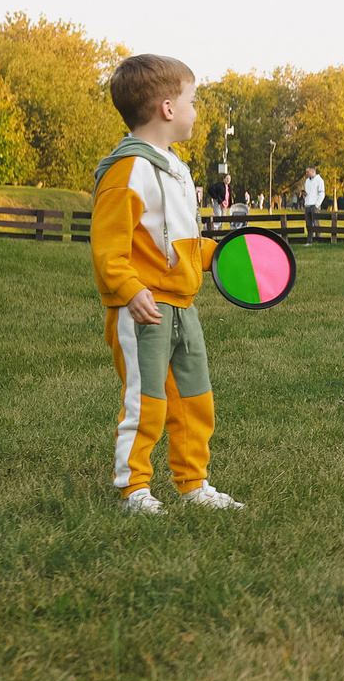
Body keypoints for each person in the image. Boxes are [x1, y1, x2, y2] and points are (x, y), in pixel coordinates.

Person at [91, 54, 242, 516]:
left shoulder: (175, 168)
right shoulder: (127, 171)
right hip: (144, 309)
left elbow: (178, 242)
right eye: (193, 101)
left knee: (195, 400)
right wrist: (129, 290)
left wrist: (222, 256)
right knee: (147, 401)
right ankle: (134, 489)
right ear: (167, 109)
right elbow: (108, 246)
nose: (197, 111)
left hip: (183, 306)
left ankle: (193, 483)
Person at [300, 165, 326, 242]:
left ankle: (319, 239)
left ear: (313, 171)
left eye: (308, 172)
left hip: (314, 205)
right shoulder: (307, 181)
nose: (307, 173)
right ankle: (309, 240)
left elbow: (321, 193)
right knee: (308, 224)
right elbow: (308, 192)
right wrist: (305, 196)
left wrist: (317, 204)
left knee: (316, 223)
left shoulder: (319, 180)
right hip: (307, 204)